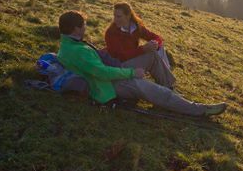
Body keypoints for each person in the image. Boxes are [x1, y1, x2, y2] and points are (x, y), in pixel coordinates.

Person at [56, 10, 227, 117]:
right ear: (76, 29)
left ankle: (170, 90)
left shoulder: (69, 45)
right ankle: (198, 110)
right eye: (83, 25)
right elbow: (101, 73)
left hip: (111, 74)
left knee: (152, 57)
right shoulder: (78, 50)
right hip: (108, 86)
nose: (85, 27)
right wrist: (132, 73)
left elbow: (92, 65)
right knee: (148, 87)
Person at [105, 2, 176, 88]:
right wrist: (143, 49)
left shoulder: (136, 27)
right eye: (114, 16)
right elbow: (119, 56)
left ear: (128, 16)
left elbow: (157, 37)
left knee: (157, 48)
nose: (115, 19)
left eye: (119, 16)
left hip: (131, 62)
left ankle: (167, 86)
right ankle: (167, 86)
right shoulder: (111, 32)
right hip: (119, 67)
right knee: (151, 55)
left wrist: (155, 44)